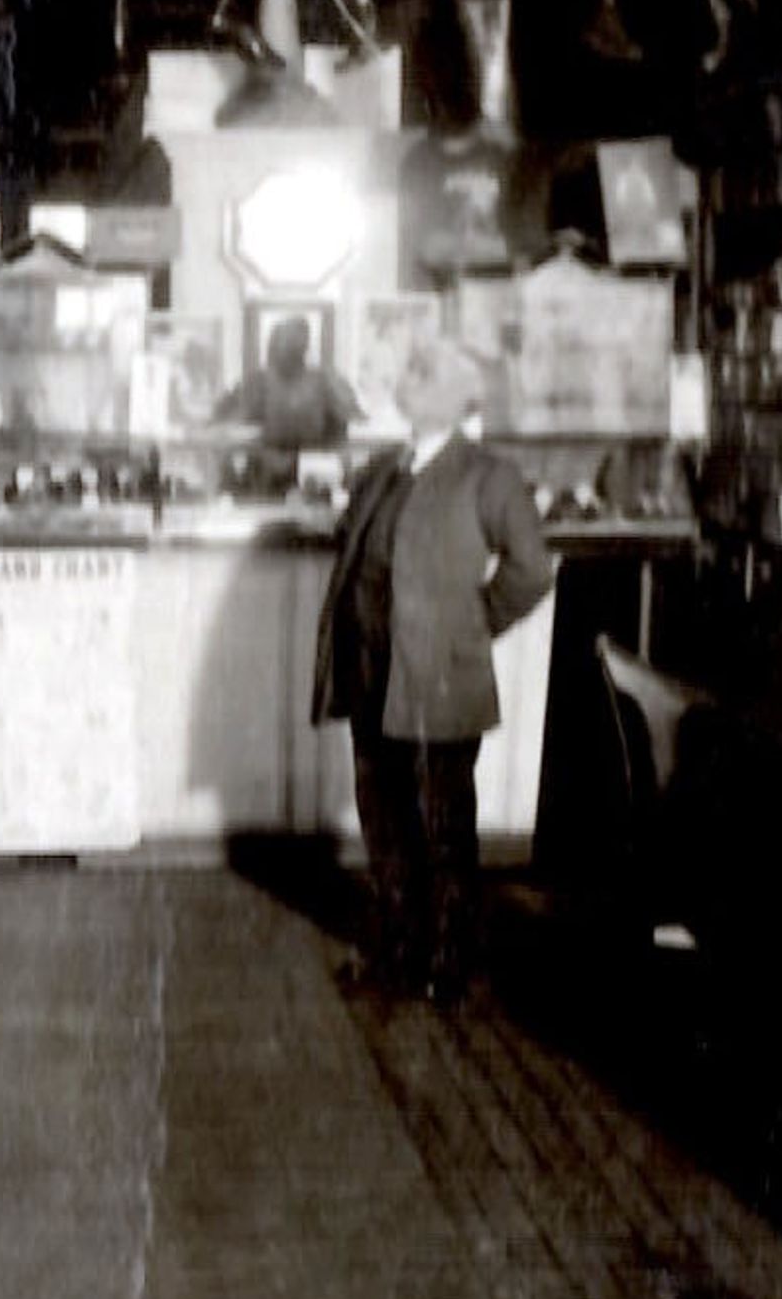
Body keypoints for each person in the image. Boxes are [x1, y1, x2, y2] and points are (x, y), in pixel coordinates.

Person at [312, 336, 556, 1002]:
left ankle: (448, 964)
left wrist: (474, 626)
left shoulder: (489, 475)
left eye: (423, 374)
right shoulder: (386, 468)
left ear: (457, 396)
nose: (406, 381)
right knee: (384, 819)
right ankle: (395, 951)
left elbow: (532, 572)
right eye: (411, 370)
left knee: (441, 828)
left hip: (437, 681)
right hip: (372, 676)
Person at [217, 314, 364, 449]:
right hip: (266, 463)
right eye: (287, 341)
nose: (293, 346)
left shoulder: (325, 379)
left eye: (298, 342)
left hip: (316, 461)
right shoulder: (258, 381)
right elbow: (224, 416)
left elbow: (354, 418)